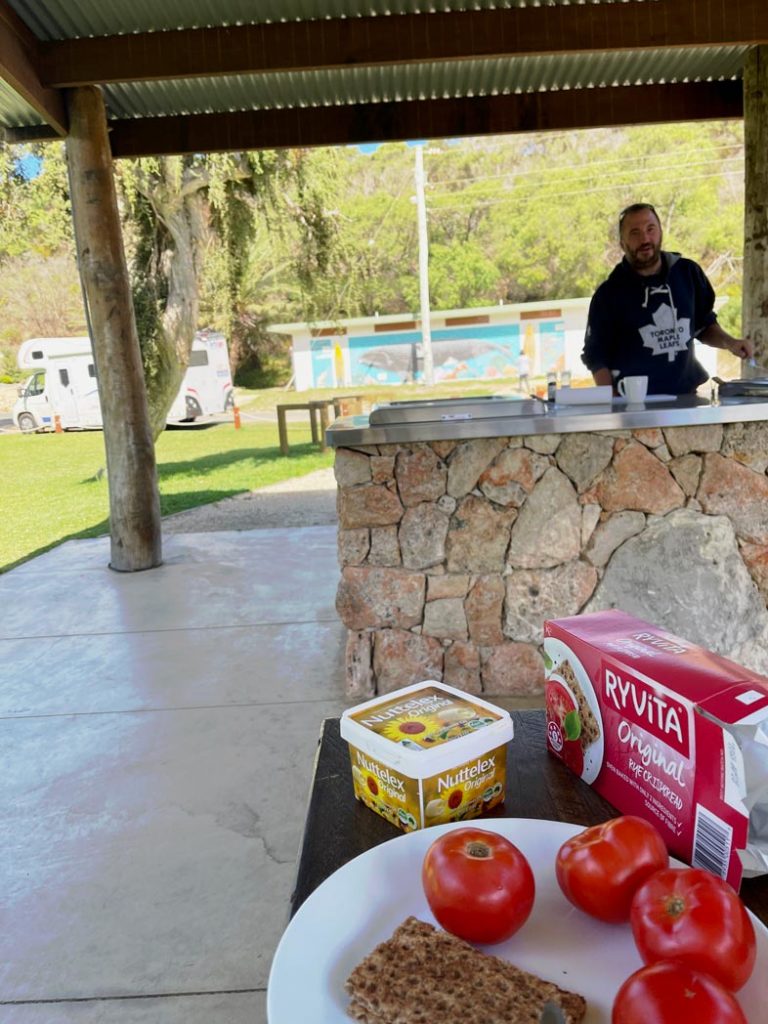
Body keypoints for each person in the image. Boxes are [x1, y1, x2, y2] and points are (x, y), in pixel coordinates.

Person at [582, 203, 753, 395]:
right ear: (623, 243)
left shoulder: (688, 274)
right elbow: (595, 355)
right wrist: (613, 402)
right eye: (635, 233)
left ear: (661, 232)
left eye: (650, 229)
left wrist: (731, 343)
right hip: (634, 404)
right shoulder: (609, 294)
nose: (645, 238)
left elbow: (704, 326)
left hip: (686, 398)